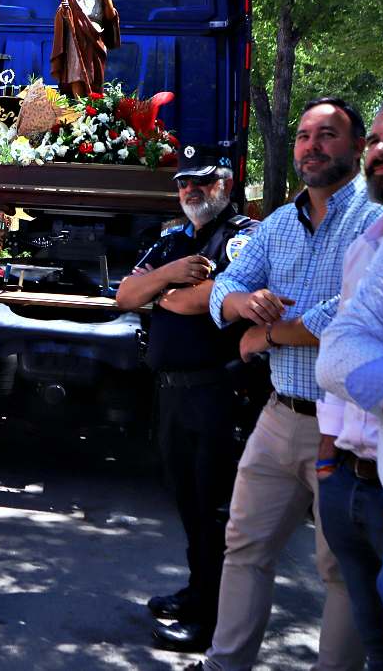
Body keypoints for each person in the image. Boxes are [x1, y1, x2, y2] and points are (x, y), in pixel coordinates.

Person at [188, 98, 383, 671]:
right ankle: (225, 664)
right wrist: (245, 301)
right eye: (303, 136)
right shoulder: (276, 224)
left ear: (356, 147)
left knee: (342, 570)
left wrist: (270, 335)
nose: (312, 145)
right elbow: (225, 288)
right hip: (279, 418)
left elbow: (352, 316)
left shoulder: (375, 220)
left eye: (328, 135)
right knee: (244, 548)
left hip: (348, 429)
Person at [115, 145, 259, 652]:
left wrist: (169, 295)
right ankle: (199, 593)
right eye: (182, 182)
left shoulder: (242, 238)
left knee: (215, 510)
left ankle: (214, 620)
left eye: (202, 180)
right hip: (172, 396)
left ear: (226, 182)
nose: (190, 189)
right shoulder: (174, 240)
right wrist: (170, 279)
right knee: (189, 504)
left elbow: (221, 298)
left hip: (218, 393)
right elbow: (126, 296)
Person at [317, 93, 383, 670]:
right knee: (380, 650)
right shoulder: (375, 244)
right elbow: (339, 354)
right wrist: (328, 456)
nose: (381, 151)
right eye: (377, 140)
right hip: (354, 478)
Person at [50, 0, 120, 98]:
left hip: (96, 40)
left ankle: (92, 108)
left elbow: (111, 16)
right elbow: (61, 16)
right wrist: (64, 11)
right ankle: (79, 107)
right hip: (76, 39)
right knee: (76, 72)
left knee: (95, 75)